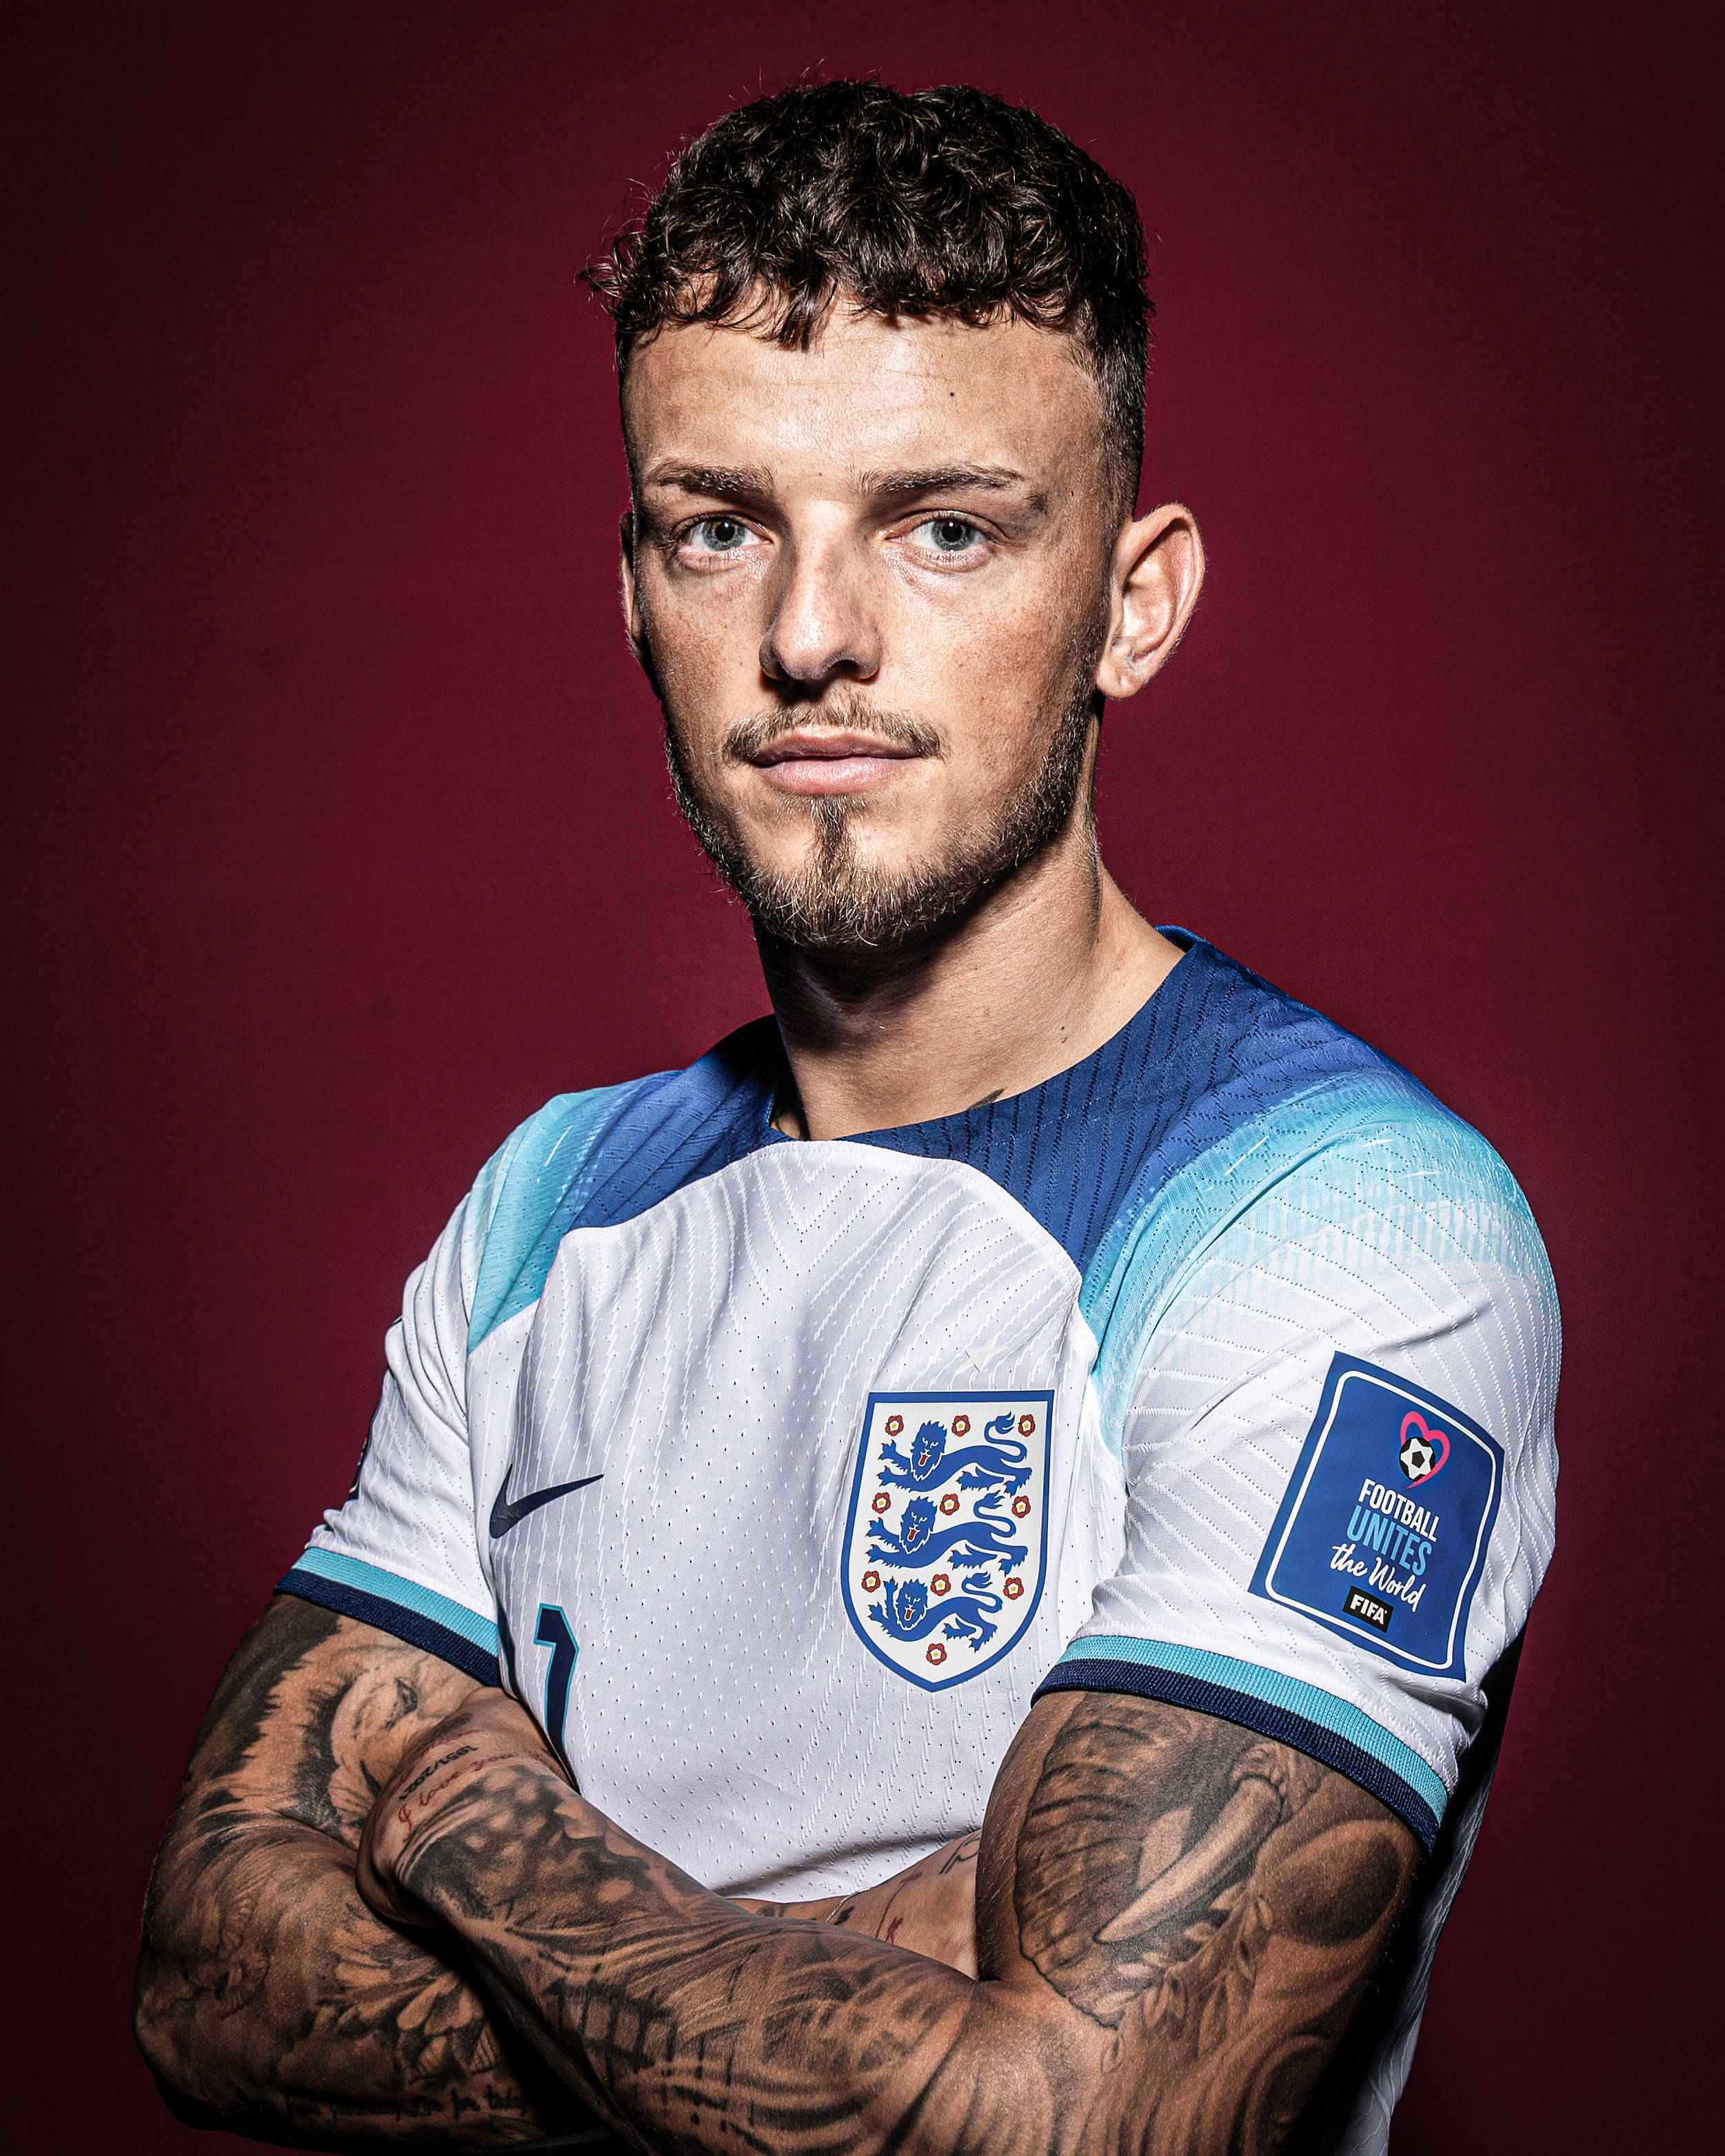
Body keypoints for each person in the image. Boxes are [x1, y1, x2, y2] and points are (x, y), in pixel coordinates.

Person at [133, 77, 1559, 2156]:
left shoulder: (1347, 1223)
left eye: (945, 527)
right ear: (636, 593)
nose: (810, 639)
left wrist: (454, 1807)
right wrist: (885, 1972)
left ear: (1134, 605)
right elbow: (205, 1975)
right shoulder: (549, 1207)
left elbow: (1075, 2121)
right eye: (721, 528)